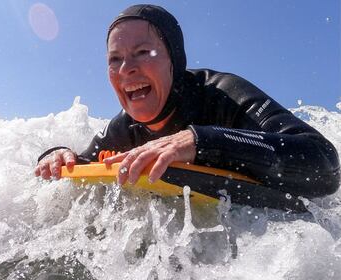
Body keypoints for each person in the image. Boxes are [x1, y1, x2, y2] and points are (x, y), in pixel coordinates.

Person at [35, 4, 340, 209]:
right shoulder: (124, 127)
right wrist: (57, 155)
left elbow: (325, 164)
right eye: (115, 59)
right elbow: (87, 163)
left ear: (174, 60)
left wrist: (200, 141)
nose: (126, 68)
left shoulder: (223, 94)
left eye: (142, 52)